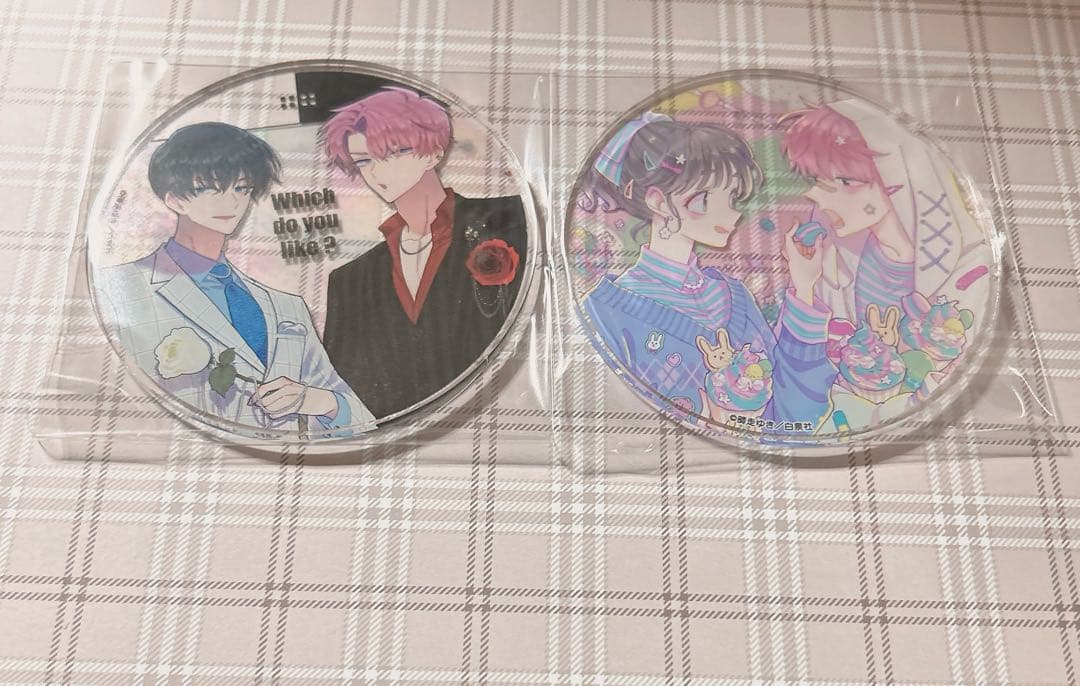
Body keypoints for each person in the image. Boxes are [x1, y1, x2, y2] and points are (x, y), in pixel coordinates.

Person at [99, 122, 375, 434]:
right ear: (174, 199)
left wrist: (321, 401)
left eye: (241, 189)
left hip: (288, 455)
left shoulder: (287, 308)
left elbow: (361, 421)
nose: (231, 202)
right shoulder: (119, 287)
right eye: (210, 188)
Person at [578, 113, 837, 431]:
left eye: (732, 197)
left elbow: (794, 414)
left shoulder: (734, 296)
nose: (730, 214)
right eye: (703, 199)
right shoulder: (607, 310)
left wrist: (804, 286)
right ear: (659, 202)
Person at [320, 87, 528, 420]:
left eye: (391, 153)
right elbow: (346, 387)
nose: (376, 172)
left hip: (506, 411)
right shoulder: (350, 281)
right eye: (364, 161)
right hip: (401, 435)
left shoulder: (512, 219)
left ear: (433, 153)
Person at [779, 99, 988, 322]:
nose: (815, 196)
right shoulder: (835, 264)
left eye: (845, 182)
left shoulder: (967, 270)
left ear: (895, 181)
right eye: (816, 180)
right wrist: (804, 286)